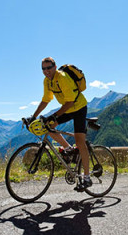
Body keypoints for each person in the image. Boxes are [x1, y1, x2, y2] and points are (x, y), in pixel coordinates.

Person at [29, 57, 92, 191]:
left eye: (49, 67)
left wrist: (55, 115)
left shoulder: (62, 77)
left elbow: (70, 102)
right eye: (43, 69)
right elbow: (46, 100)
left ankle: (87, 178)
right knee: (49, 128)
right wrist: (33, 116)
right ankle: (69, 149)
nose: (46, 71)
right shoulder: (47, 81)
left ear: (55, 66)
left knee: (80, 142)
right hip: (67, 109)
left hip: (78, 107)